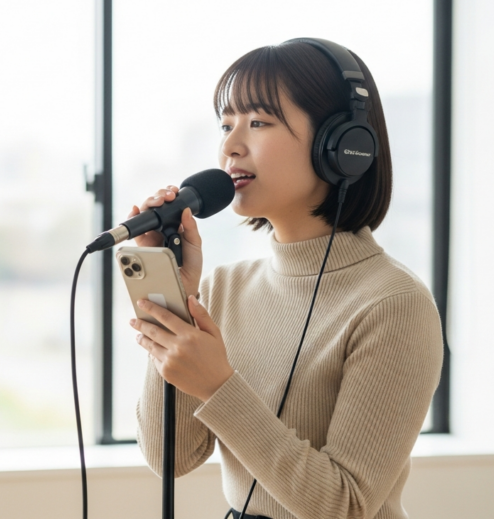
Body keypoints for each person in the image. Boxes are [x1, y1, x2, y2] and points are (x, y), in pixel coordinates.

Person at [126, 39, 444, 519]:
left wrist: (219, 386)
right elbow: (171, 458)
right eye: (226, 125)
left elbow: (346, 505)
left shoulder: (394, 303)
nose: (230, 146)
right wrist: (172, 297)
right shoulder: (224, 288)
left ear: (342, 146)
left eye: (258, 122)